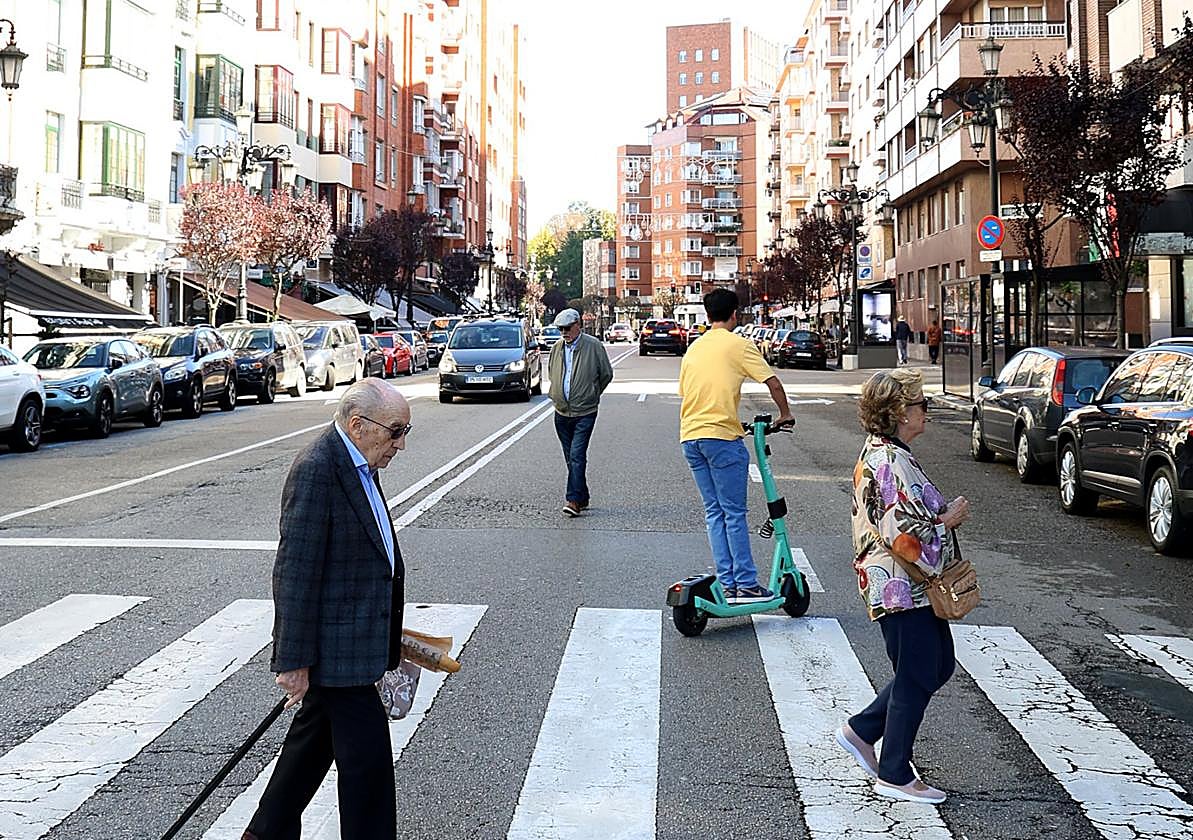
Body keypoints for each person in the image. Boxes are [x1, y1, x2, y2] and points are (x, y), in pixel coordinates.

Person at [243, 378, 410, 840]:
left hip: (354, 639)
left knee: (310, 747)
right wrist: (292, 659)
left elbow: (365, 559)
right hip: (340, 655)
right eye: (395, 431)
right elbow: (294, 570)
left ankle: (265, 833)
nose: (401, 444)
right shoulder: (318, 468)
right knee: (368, 774)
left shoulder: (361, 464)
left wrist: (388, 629)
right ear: (359, 425)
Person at [835, 368, 970, 805]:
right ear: (899, 413)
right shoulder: (890, 459)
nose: (925, 411)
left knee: (936, 665)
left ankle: (862, 730)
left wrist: (940, 516)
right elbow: (902, 536)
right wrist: (946, 520)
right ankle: (894, 771)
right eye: (920, 405)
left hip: (903, 584)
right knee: (918, 672)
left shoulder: (891, 451)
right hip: (899, 585)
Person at [679, 288, 794, 601]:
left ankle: (727, 582)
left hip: (691, 436)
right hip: (720, 438)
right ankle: (745, 582)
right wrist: (785, 414)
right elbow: (772, 381)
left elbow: (687, 392)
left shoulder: (694, 348)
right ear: (735, 315)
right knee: (733, 512)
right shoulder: (740, 344)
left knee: (714, 512)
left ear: (707, 315)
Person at [548, 308, 614, 517]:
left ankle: (573, 500)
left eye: (567, 328)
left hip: (584, 411)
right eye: (561, 329)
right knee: (571, 457)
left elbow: (606, 374)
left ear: (578, 325)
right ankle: (582, 495)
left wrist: (592, 394)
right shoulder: (557, 348)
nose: (564, 333)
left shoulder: (593, 346)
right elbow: (552, 372)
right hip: (561, 412)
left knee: (577, 455)